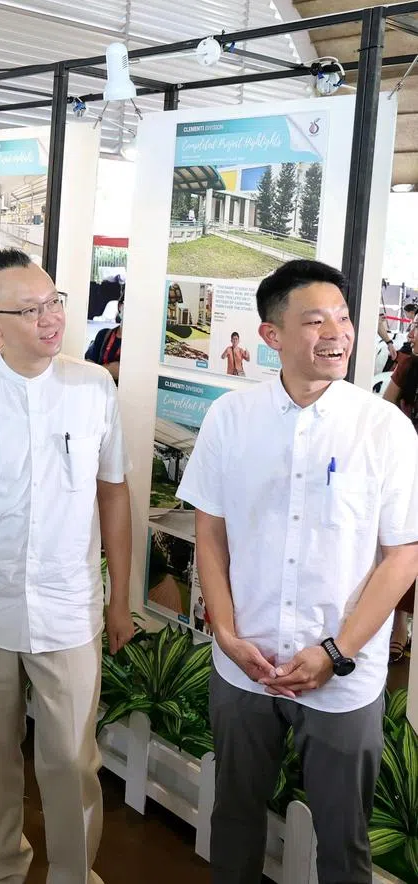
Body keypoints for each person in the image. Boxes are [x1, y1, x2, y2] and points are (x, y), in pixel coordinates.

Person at [178, 259, 418, 884]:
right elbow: (211, 534)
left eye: (342, 317)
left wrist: (336, 651)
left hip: (343, 676)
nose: (336, 332)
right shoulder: (232, 418)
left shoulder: (384, 429)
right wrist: (227, 635)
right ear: (271, 335)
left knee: (344, 839)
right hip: (244, 661)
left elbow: (403, 556)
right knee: (233, 818)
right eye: (315, 320)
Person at [0, 250, 134, 884]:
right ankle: (0, 870)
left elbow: (113, 492)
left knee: (71, 760)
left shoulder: (93, 387)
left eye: (55, 303)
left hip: (70, 608)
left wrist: (120, 597)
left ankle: (74, 873)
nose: (50, 318)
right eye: (31, 309)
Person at [383, 312, 418, 662]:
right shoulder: (407, 366)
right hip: (408, 468)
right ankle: (399, 622)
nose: (416, 332)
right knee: (404, 544)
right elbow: (385, 407)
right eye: (415, 325)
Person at [85, 293, 122, 380]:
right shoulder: (104, 335)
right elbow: (88, 364)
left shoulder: (139, 344)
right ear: (120, 306)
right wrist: (109, 369)